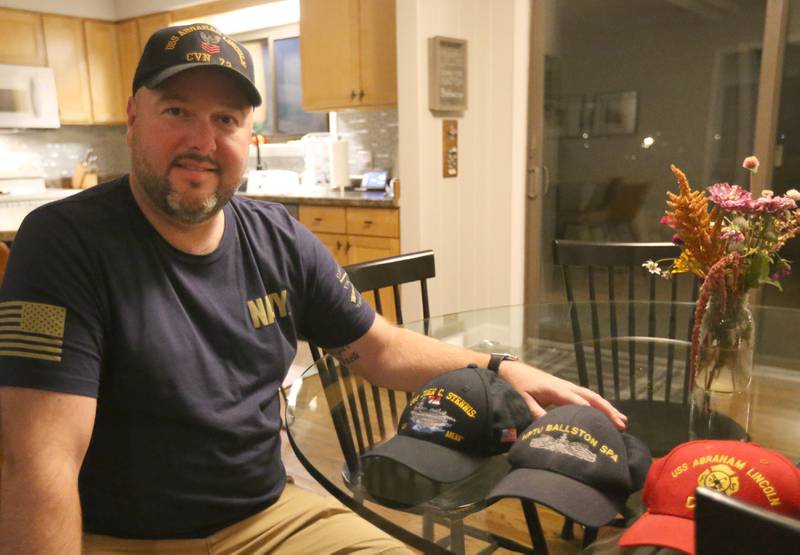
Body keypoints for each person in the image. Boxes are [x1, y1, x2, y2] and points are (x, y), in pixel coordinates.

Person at [0, 24, 626, 554]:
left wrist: (497, 368)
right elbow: (39, 463)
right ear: (133, 118)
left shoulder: (277, 237)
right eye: (176, 111)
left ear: (250, 137)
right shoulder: (63, 243)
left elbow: (379, 349)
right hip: (125, 539)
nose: (202, 141)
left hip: (267, 518)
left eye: (226, 119)